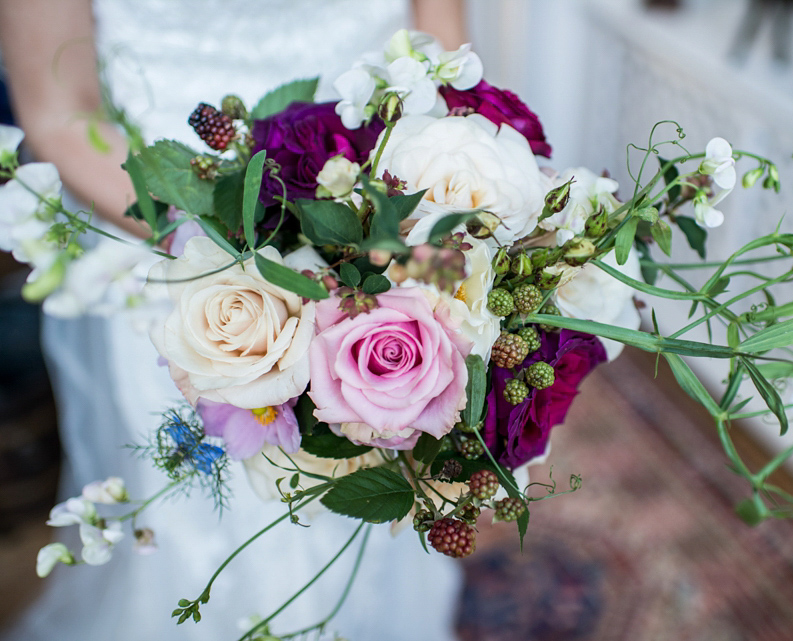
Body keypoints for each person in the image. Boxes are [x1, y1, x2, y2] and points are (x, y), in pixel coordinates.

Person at [0, 1, 469, 639]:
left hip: (386, 208)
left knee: (378, 467)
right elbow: (60, 112)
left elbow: (441, 35)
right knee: (207, 524)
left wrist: (438, 186)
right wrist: (232, 248)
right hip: (166, 229)